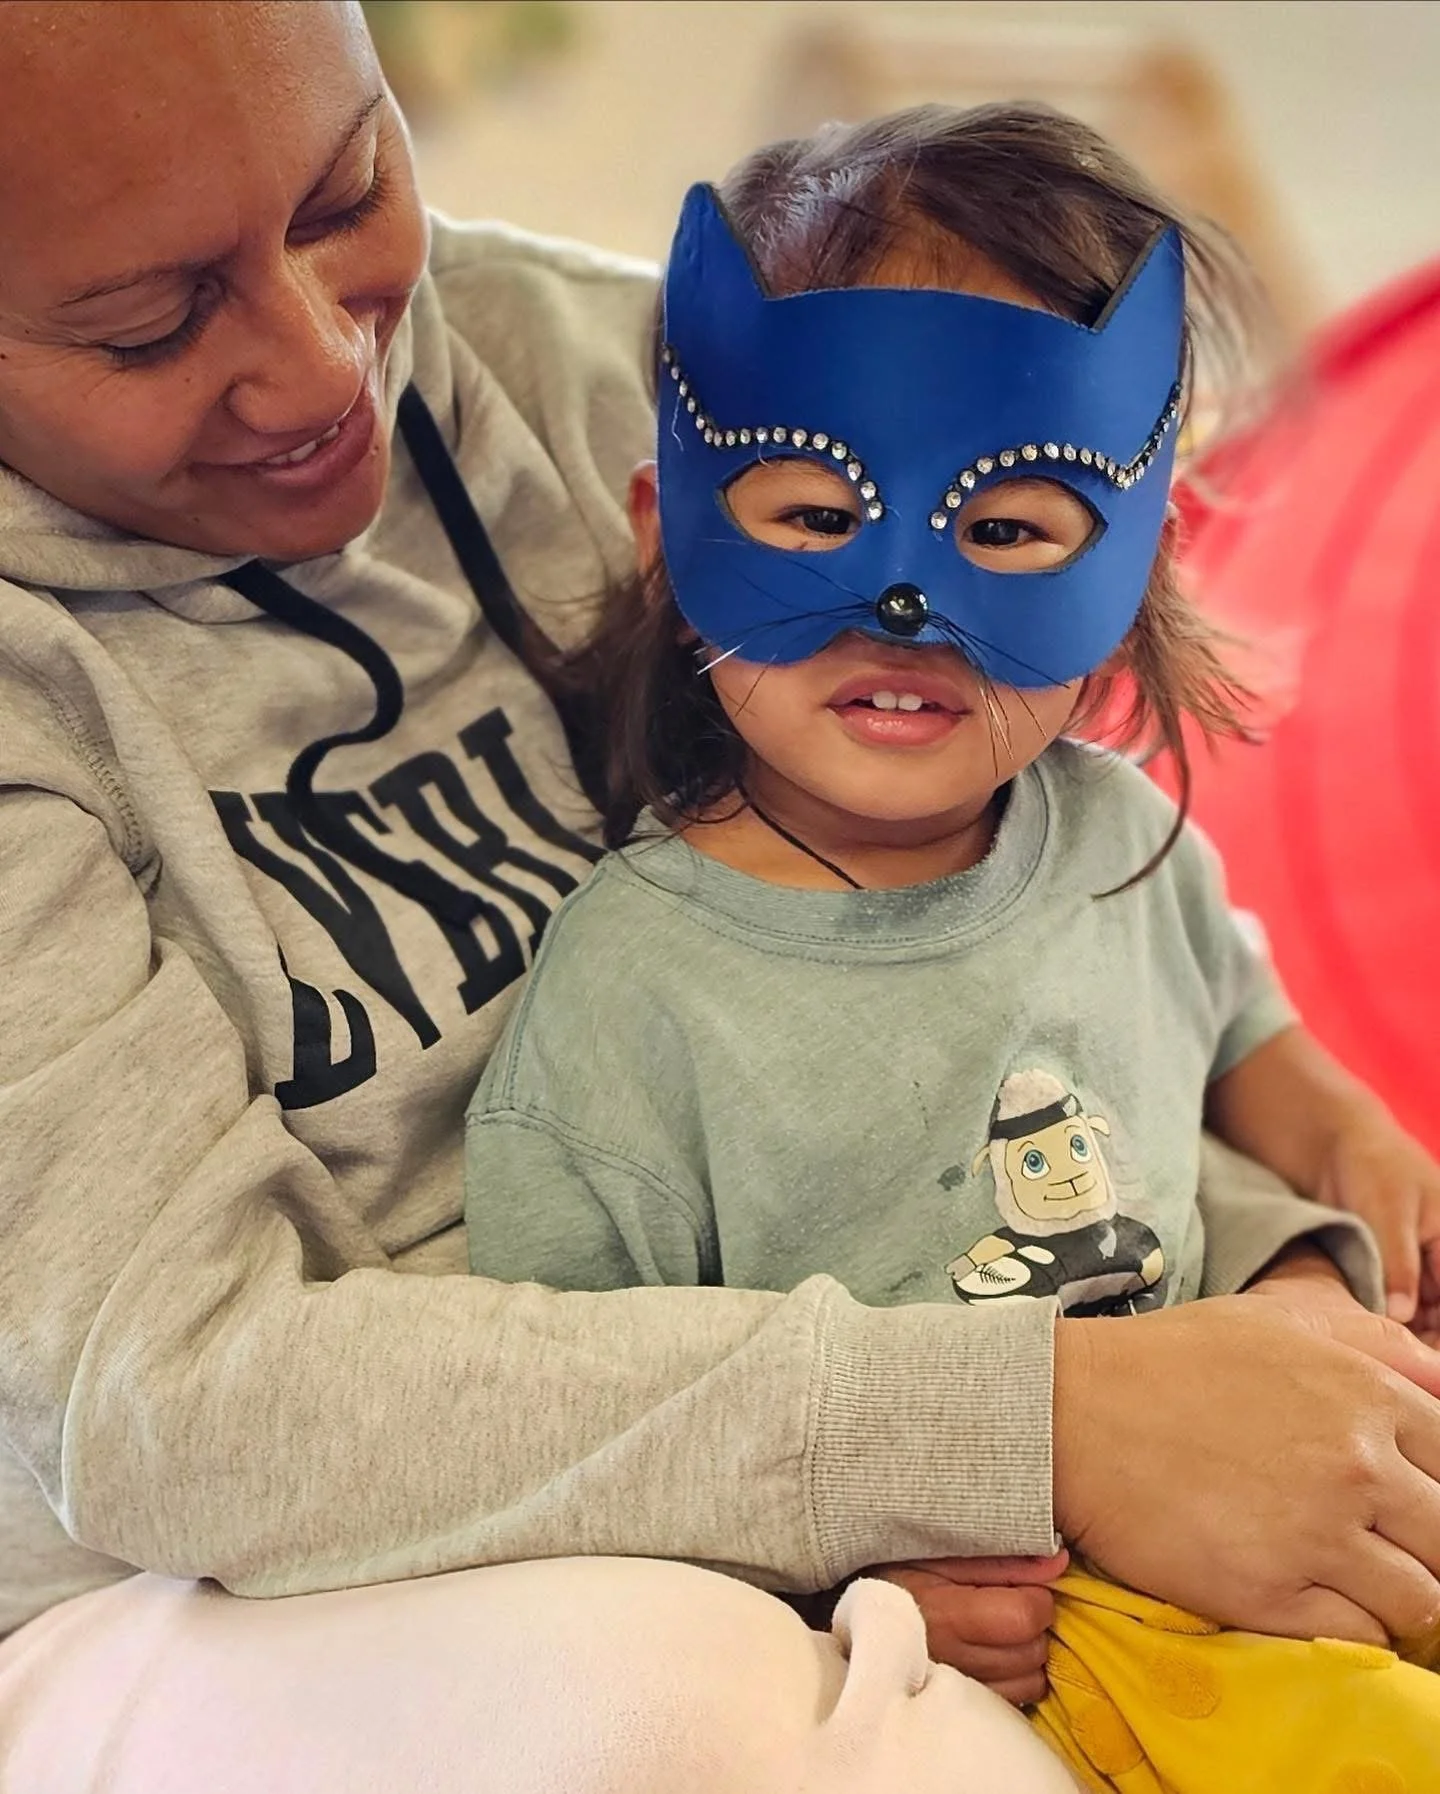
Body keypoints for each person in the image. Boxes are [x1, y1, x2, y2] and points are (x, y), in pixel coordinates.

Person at [1, 4, 1438, 1789]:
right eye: (148, 322)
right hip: (229, 1567)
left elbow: (1061, 953)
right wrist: (1014, 1432)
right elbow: (170, 1410)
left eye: (346, 193)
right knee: (668, 1708)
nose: (315, 368)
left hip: (974, 1390)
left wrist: (1293, 1273)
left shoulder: (634, 363)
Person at [463, 107, 1440, 1788]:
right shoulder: (632, 1000)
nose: (900, 600)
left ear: (1130, 567)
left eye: (1004, 528)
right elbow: (585, 1423)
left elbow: (1226, 1028)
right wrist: (842, 1580)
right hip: (1047, 1640)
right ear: (663, 530)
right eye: (808, 512)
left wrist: (1333, 1176)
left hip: (1278, 1489)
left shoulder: (1121, 838)